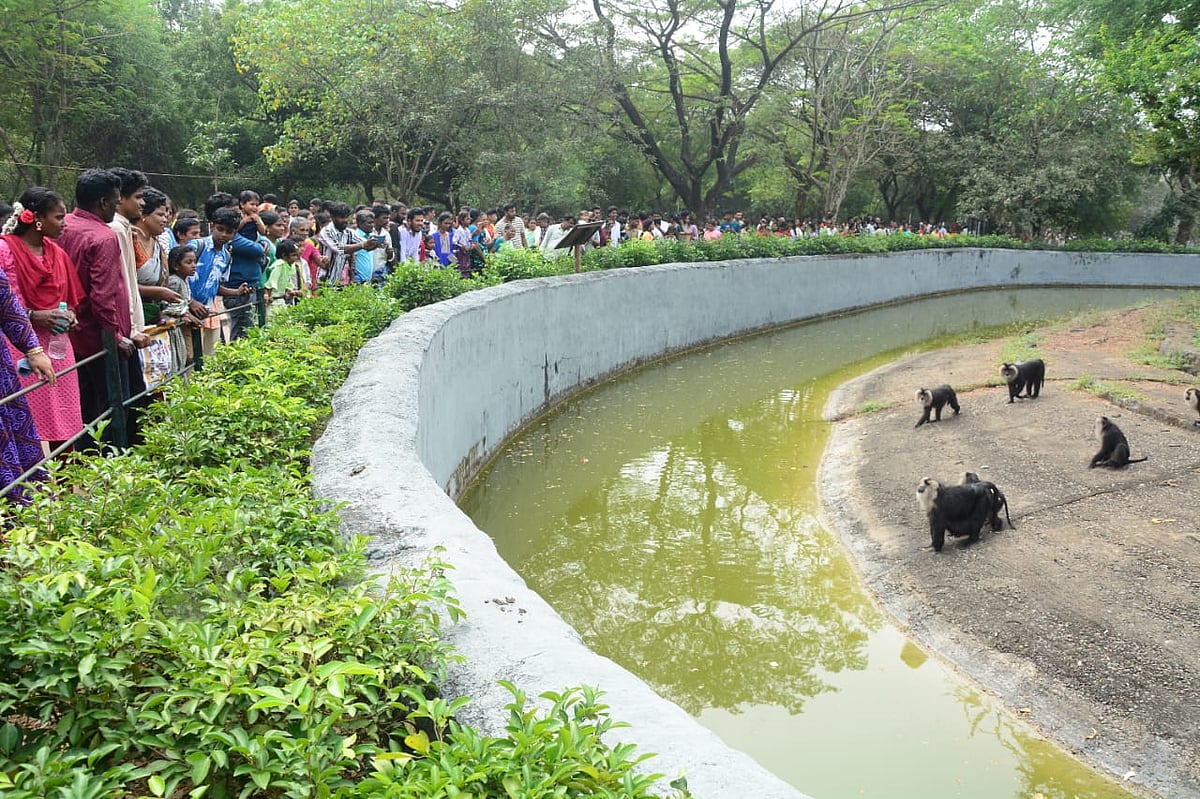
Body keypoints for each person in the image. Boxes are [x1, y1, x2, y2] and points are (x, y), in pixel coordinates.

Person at [58, 169, 146, 447]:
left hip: (71, 331)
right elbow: (103, 295)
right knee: (112, 403)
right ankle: (111, 463)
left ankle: (84, 462)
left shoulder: (65, 225)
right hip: (100, 335)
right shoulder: (103, 236)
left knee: (83, 404)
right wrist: (116, 336)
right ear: (103, 203)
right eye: (116, 200)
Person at [0, 187, 82, 451]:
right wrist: (35, 316)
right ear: (36, 218)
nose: (64, 224)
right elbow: (7, 303)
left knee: (67, 417)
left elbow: (68, 297)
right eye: (58, 217)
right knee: (27, 417)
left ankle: (70, 483)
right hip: (20, 344)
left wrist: (69, 315)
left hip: (58, 344)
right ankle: (35, 489)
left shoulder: (57, 252)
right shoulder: (5, 250)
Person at [187, 206, 239, 356]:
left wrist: (236, 292)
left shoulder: (226, 257)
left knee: (209, 358)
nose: (223, 235)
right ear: (212, 226)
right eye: (220, 229)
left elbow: (216, 286)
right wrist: (190, 302)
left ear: (234, 234)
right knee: (189, 359)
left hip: (208, 312)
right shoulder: (196, 246)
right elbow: (175, 279)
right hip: (187, 312)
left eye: (229, 232)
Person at [162, 246, 198, 374]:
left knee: (185, 356)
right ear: (176, 266)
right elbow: (166, 306)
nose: (194, 265)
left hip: (180, 327)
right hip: (173, 328)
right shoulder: (174, 282)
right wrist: (184, 314)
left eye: (195, 261)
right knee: (177, 358)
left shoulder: (184, 280)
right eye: (188, 262)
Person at [263, 239, 303, 309]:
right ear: (284, 255)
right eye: (293, 255)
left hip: (280, 300)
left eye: (296, 255)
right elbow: (271, 283)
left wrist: (292, 292)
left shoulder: (288, 265)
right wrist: (267, 296)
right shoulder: (279, 265)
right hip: (273, 301)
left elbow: (286, 283)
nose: (296, 258)